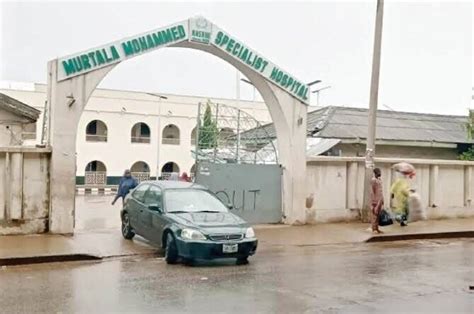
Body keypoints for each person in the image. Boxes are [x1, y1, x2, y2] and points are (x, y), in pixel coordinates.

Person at [370, 168, 384, 234]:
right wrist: (373, 202)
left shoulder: (379, 180)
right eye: (378, 172)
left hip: (380, 200)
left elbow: (381, 191)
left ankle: (377, 228)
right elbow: (372, 191)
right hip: (375, 200)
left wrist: (382, 200)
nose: (379, 173)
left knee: (378, 215)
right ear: (375, 173)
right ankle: (374, 229)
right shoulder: (373, 180)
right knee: (374, 215)